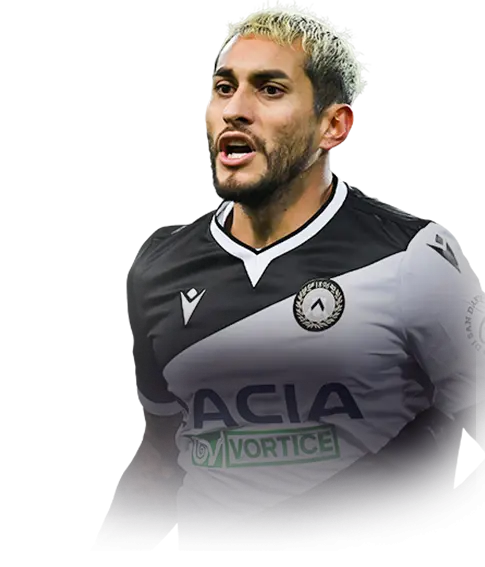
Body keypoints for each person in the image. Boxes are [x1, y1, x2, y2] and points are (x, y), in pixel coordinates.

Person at [89, 8, 485, 552]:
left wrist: (387, 538)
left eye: (269, 89)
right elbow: (161, 453)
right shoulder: (158, 270)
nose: (236, 109)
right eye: (224, 88)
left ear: (333, 126)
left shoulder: (415, 258)